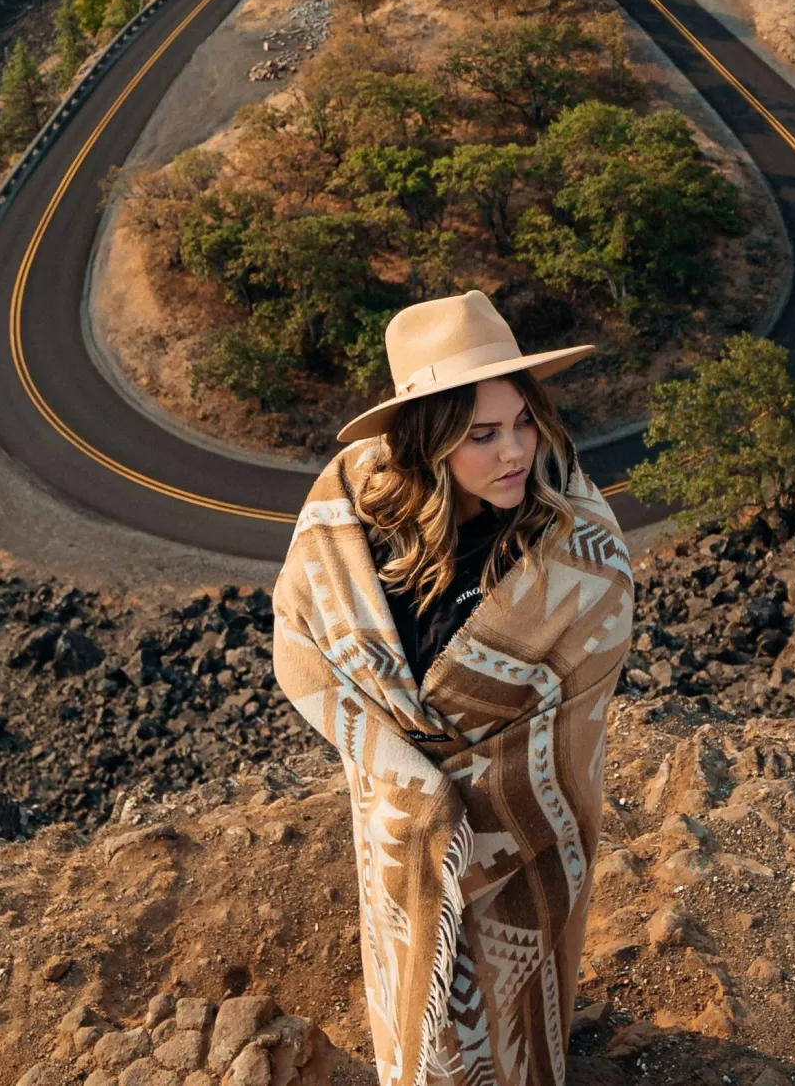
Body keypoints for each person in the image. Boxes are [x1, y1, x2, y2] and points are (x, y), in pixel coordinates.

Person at [272, 290, 634, 1086]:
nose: (514, 453)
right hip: (404, 825)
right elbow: (302, 641)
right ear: (429, 441)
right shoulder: (355, 531)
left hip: (524, 829)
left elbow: (586, 672)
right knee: (421, 996)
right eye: (482, 435)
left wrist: (472, 778)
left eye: (523, 423)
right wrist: (413, 778)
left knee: (516, 1009)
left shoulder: (565, 547)